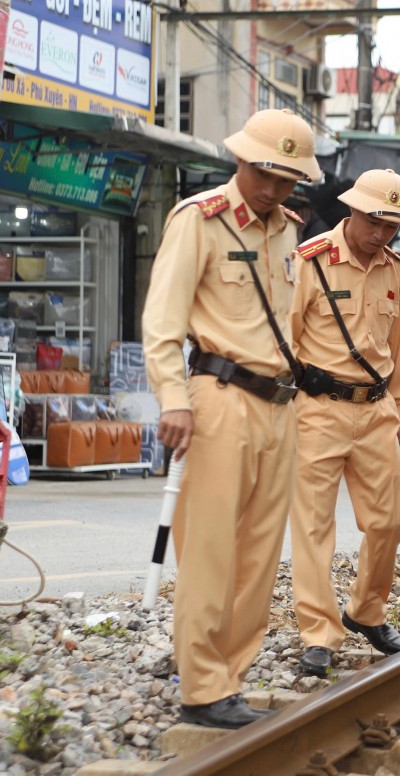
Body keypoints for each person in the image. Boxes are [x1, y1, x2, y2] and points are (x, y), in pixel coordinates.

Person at [142, 108, 320, 728]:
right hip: (217, 397)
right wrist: (172, 398)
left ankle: (229, 681)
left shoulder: (286, 231)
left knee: (259, 556)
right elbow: (162, 323)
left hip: (279, 404)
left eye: (286, 180)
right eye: (264, 174)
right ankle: (201, 686)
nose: (272, 190)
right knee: (212, 551)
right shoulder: (199, 220)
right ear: (240, 160)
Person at [288, 169, 400, 674]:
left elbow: (397, 351)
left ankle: (366, 610)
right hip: (317, 409)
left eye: (391, 226)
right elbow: (288, 342)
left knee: (387, 522)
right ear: (354, 210)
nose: (380, 234)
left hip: (378, 411)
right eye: (374, 221)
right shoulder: (310, 261)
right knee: (315, 527)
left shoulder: (396, 271)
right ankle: (319, 632)